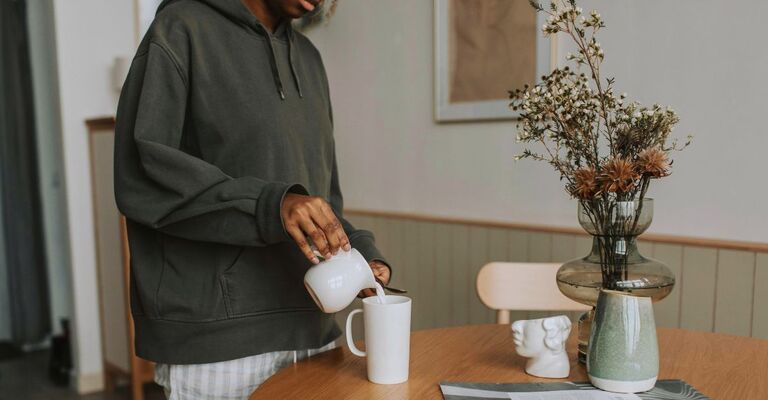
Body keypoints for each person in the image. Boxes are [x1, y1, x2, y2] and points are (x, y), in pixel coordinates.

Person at [113, 0, 390, 397]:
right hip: (219, 344)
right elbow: (144, 173)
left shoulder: (309, 59)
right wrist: (269, 206)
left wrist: (361, 256)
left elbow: (322, 196)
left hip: (314, 332)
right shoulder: (181, 29)